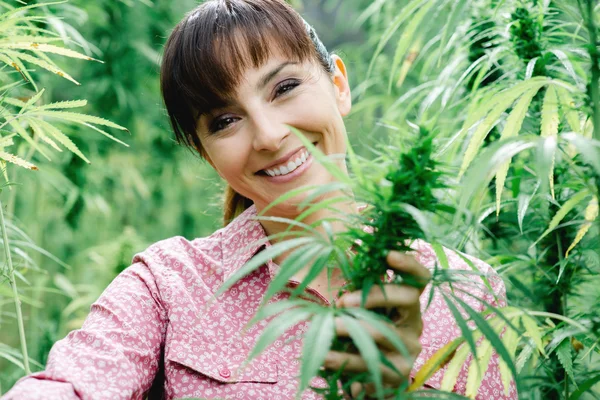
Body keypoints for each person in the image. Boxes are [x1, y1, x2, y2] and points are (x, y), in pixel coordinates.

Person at [2, 0, 517, 399]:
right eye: (225, 121)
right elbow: (72, 384)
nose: (268, 135)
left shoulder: (468, 293)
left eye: (285, 87)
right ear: (205, 153)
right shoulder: (168, 286)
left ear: (338, 83)